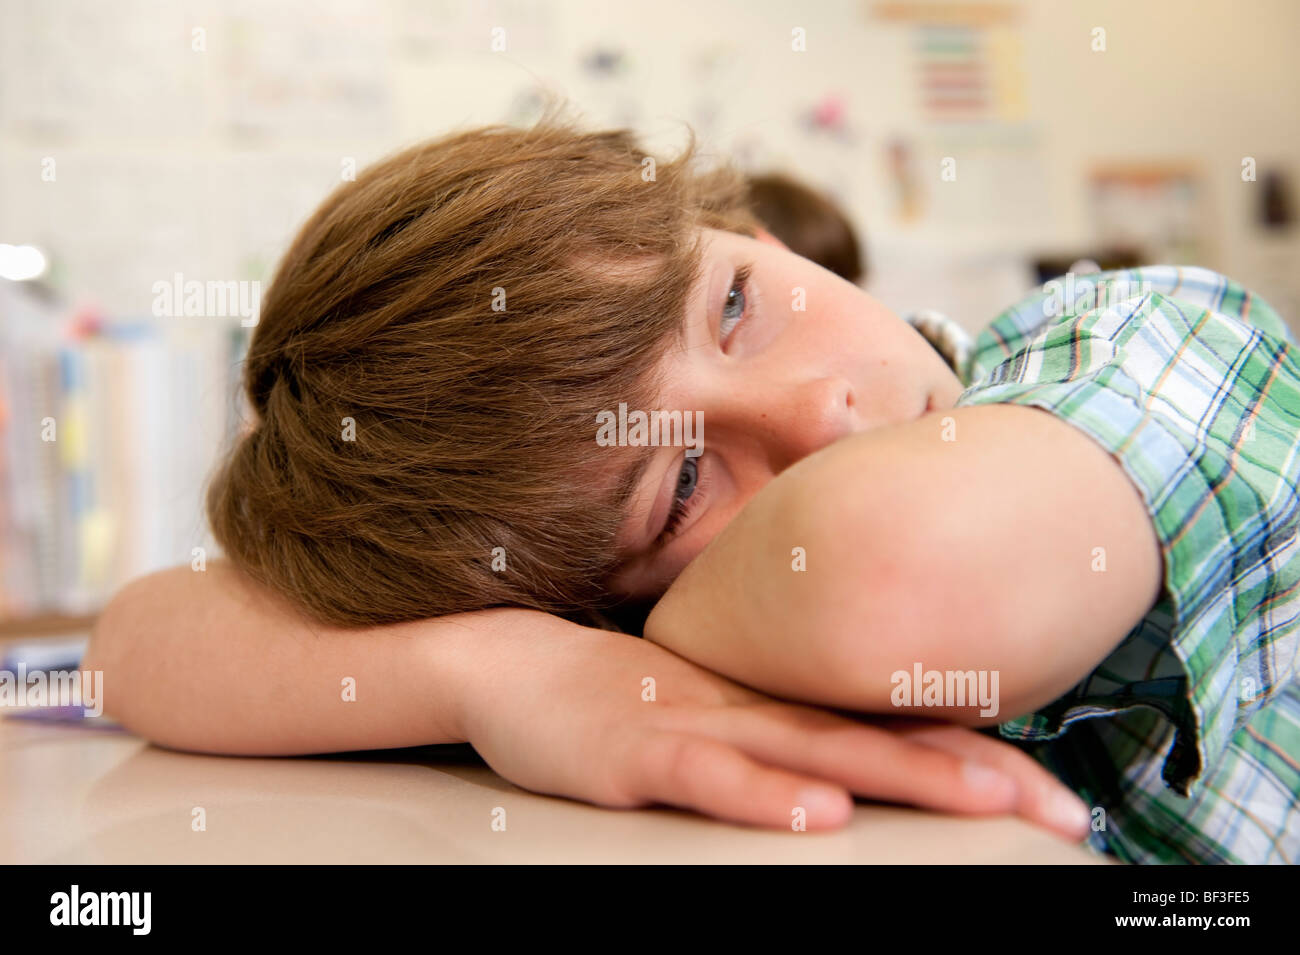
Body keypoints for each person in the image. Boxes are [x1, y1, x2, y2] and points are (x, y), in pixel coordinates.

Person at [84, 109, 1300, 863]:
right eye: (675, 491)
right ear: (582, 600)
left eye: (733, 307)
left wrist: (611, 635)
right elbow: (137, 641)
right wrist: (506, 669)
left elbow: (897, 572)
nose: (820, 410)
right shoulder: (634, 623)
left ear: (756, 241)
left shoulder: (1140, 331)